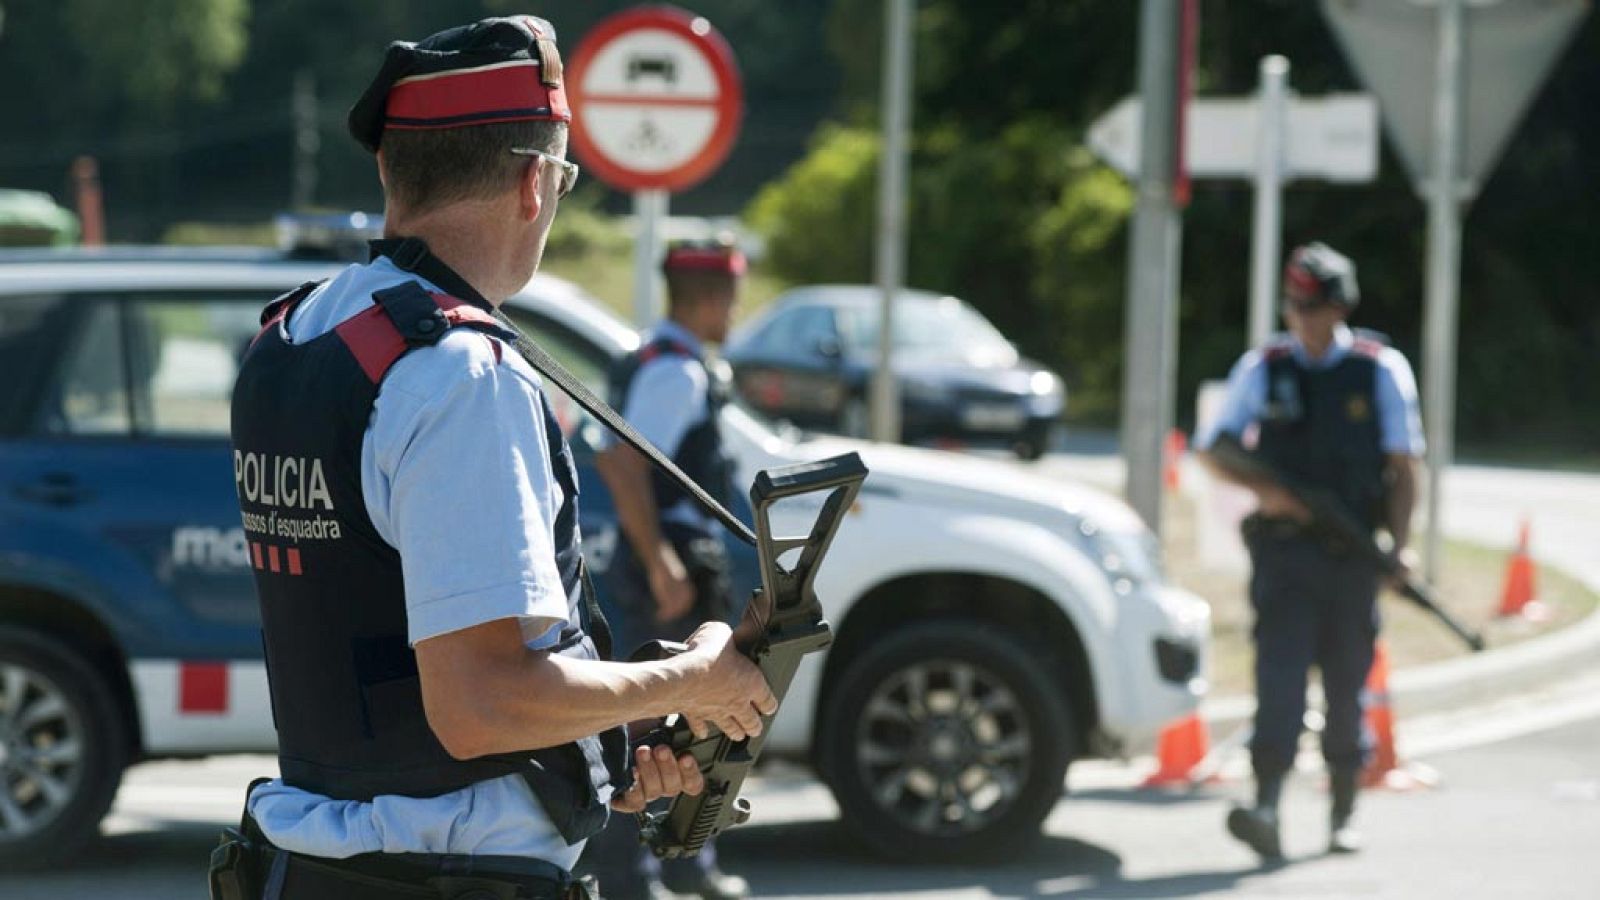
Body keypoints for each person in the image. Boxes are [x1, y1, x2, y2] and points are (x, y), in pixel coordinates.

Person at [225, 16, 775, 899]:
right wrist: (693, 680)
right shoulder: (457, 376)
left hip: (317, 863)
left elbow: (389, 652)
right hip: (441, 879)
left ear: (386, 167)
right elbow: (477, 703)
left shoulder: (303, 333)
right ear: (533, 182)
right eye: (562, 178)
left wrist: (610, 738)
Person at [1196, 242, 1424, 861]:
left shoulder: (1378, 368)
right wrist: (1271, 494)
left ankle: (1343, 811)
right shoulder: (1265, 365)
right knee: (1280, 680)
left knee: (1348, 685)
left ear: (1340, 307)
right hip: (1285, 555)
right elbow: (1214, 448)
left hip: (1351, 557)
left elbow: (1404, 467)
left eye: (1314, 307)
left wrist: (1401, 550)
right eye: (1295, 307)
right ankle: (1265, 805)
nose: (1303, 320)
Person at [581, 240, 748, 900]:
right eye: (731, 300)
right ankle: (633, 877)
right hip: (668, 569)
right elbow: (623, 463)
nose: (734, 313)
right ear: (707, 299)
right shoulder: (674, 371)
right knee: (650, 731)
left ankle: (684, 864)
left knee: (688, 728)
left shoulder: (661, 358)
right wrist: (661, 562)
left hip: (673, 563)